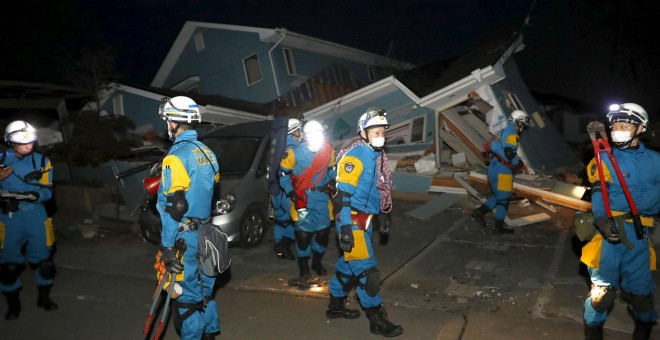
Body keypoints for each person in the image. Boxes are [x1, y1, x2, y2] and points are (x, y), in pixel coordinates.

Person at [581, 103, 660, 339]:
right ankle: (593, 334)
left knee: (641, 296)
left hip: (639, 234)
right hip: (609, 233)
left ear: (641, 128)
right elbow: (598, 191)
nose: (617, 129)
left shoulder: (656, 161)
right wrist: (602, 219)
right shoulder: (603, 157)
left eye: (624, 125)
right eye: (614, 125)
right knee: (601, 294)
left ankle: (644, 331)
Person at [327, 107, 403, 337]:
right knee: (368, 272)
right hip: (352, 220)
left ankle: (335, 306)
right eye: (375, 131)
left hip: (366, 219)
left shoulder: (376, 155)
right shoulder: (355, 157)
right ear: (363, 133)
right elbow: (342, 197)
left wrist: (381, 214)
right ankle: (376, 318)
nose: (380, 135)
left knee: (349, 268)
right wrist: (346, 230)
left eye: (382, 131)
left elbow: (377, 189)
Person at [156, 96, 221, 339]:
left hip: (184, 236)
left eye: (167, 121)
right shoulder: (208, 152)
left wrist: (168, 245)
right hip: (206, 232)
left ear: (173, 122)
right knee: (206, 291)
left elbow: (177, 206)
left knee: (184, 298)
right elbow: (208, 187)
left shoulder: (175, 156)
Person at [0, 120, 56, 320]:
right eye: (22, 142)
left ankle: (44, 297)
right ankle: (13, 305)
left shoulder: (42, 161)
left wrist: (36, 195)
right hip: (9, 217)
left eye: (31, 141)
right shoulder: (0, 161)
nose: (28, 145)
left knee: (44, 262)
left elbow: (48, 190)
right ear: (10, 142)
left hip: (36, 214)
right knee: (8, 266)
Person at [280, 120, 336, 286]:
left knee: (322, 234)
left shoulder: (328, 151)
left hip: (322, 198)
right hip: (302, 198)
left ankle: (316, 262)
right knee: (303, 235)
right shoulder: (293, 152)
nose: (315, 137)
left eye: (318, 134)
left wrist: (333, 184)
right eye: (311, 134)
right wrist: (290, 191)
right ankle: (304, 268)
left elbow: (333, 170)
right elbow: (282, 173)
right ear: (304, 135)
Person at [471, 109, 530, 234]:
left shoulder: (502, 132)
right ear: (518, 122)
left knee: (498, 195)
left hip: (493, 167)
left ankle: (479, 212)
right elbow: (509, 152)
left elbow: (493, 147)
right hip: (503, 170)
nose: (522, 128)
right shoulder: (513, 135)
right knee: (503, 199)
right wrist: (516, 163)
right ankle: (498, 227)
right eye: (522, 125)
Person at [271, 118, 303, 260]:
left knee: (280, 221)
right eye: (298, 130)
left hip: (274, 190)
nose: (300, 133)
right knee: (298, 221)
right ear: (294, 131)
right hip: (287, 190)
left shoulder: (277, 146)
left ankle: (280, 250)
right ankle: (283, 245)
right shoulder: (294, 149)